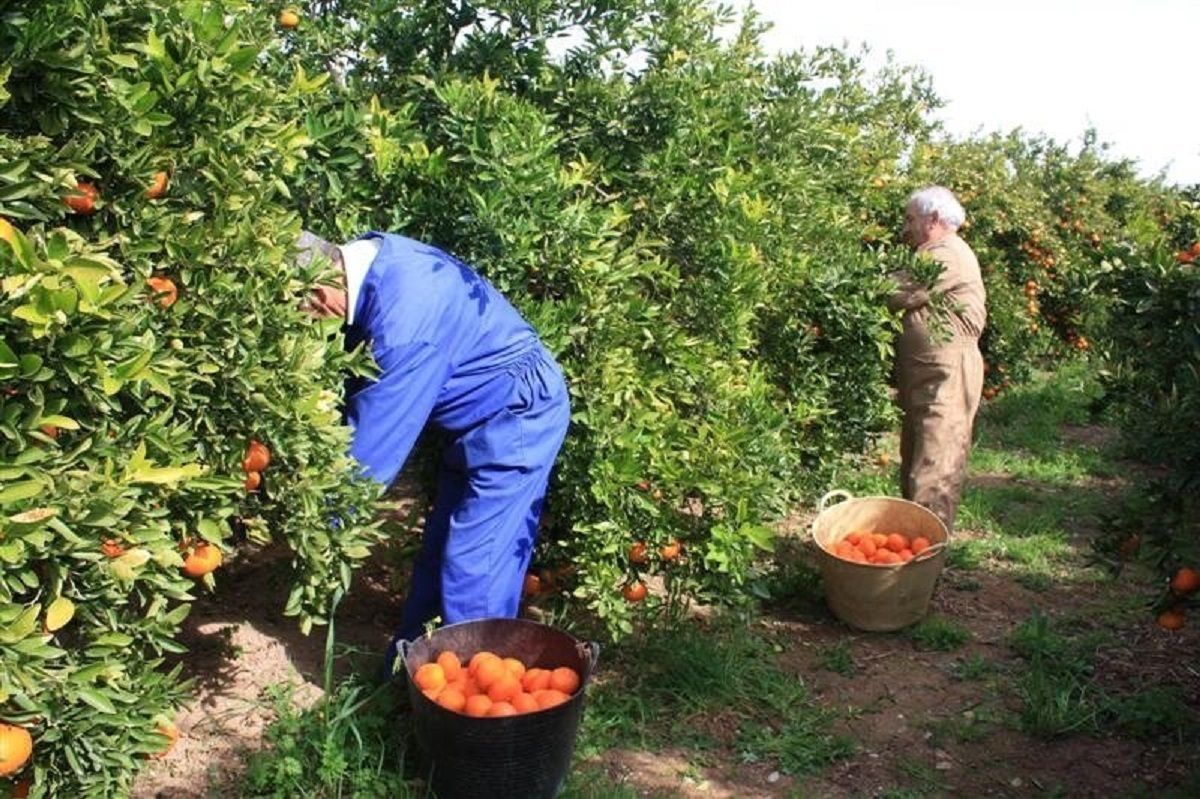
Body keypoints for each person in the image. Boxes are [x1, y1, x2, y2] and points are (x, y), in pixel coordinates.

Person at [298, 231, 571, 669]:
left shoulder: (406, 326)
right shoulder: (376, 261)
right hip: (479, 420)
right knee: (441, 551)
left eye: (304, 310)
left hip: (520, 414)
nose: (309, 322)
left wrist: (312, 519)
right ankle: (414, 679)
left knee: (474, 564)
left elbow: (370, 455)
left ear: (321, 287)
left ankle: (480, 708)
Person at [887, 186, 987, 533]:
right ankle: (911, 554)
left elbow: (900, 291)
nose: (906, 226)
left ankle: (924, 559)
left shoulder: (948, 254)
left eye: (911, 218)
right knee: (917, 461)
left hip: (948, 376)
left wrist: (851, 288)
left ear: (933, 219)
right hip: (926, 377)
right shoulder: (932, 251)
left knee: (935, 467)